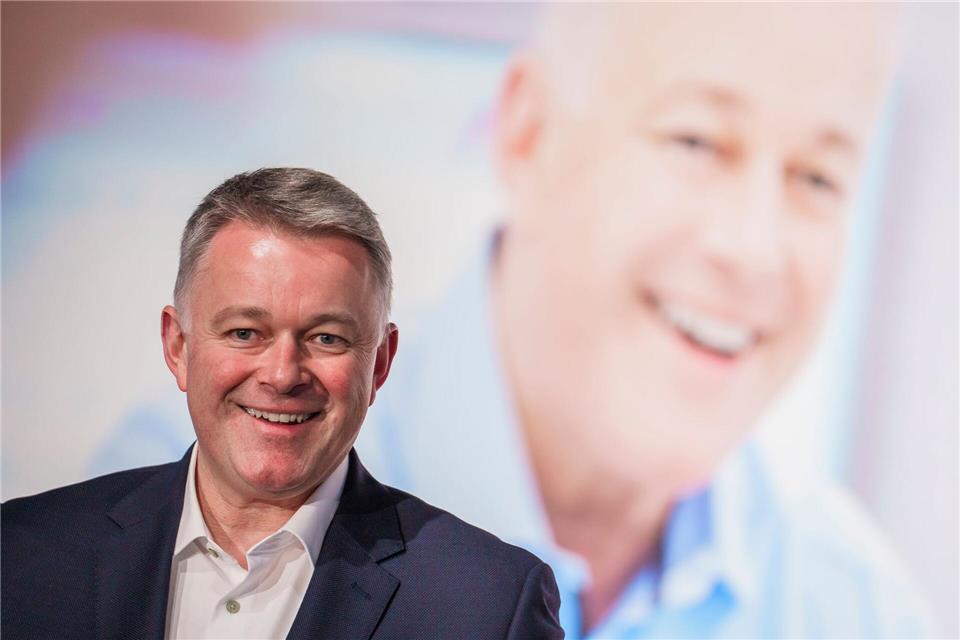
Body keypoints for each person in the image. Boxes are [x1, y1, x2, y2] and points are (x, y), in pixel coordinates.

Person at [357, 4, 937, 639]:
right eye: (697, 141)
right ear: (529, 131)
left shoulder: (866, 615)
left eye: (819, 179)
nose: (752, 249)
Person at [1, 168, 563, 640]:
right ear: (178, 347)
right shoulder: (21, 557)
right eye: (245, 332)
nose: (281, 374)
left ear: (381, 363)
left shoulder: (487, 606)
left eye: (326, 338)